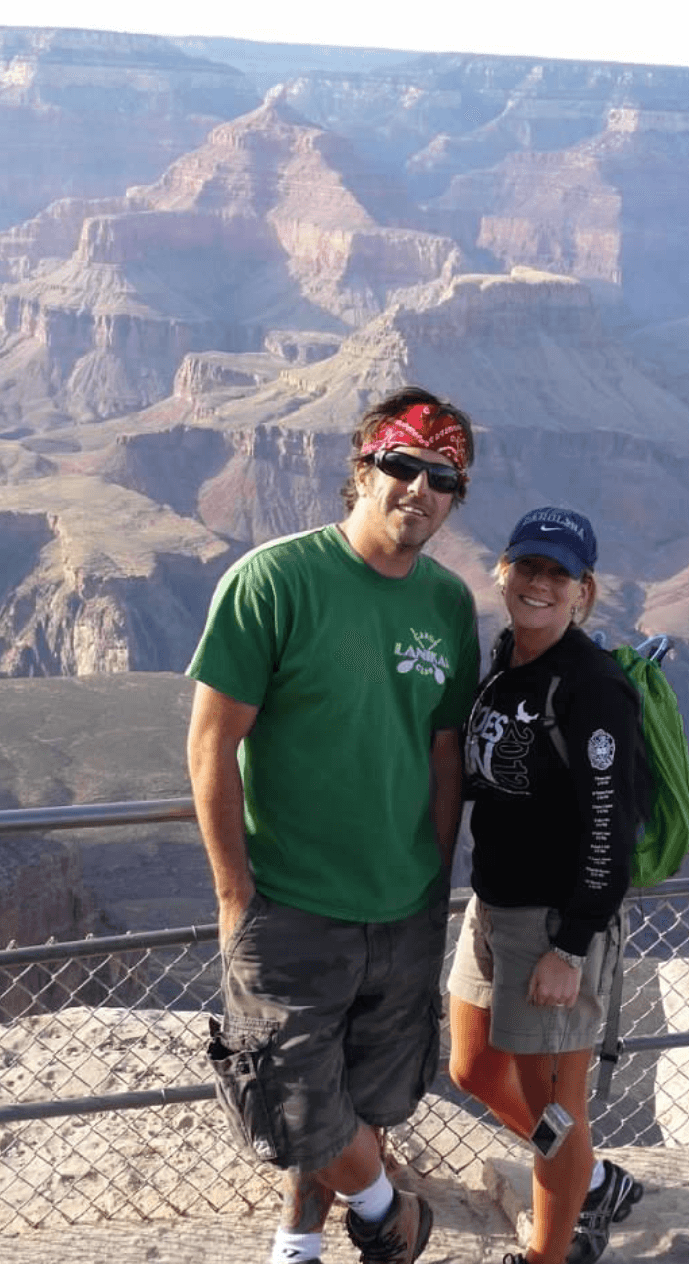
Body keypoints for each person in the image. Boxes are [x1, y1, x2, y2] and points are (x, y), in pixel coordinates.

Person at [186, 387, 479, 1264]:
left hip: (403, 907)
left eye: (442, 477)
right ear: (361, 469)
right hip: (291, 905)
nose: (418, 489)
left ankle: (301, 1246)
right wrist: (236, 896)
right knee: (295, 1106)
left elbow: (442, 757)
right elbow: (210, 750)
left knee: (367, 1103)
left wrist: (432, 878)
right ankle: (395, 1212)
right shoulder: (274, 581)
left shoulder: (450, 605)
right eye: (401, 466)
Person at [447, 507, 652, 1264]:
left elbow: (609, 828)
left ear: (584, 591)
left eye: (558, 574)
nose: (539, 583)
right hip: (491, 905)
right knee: (471, 1068)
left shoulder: (592, 688)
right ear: (503, 571)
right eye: (527, 566)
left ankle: (552, 1252)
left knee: (553, 1112)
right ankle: (591, 1181)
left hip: (551, 924)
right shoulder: (507, 658)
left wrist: (570, 946)